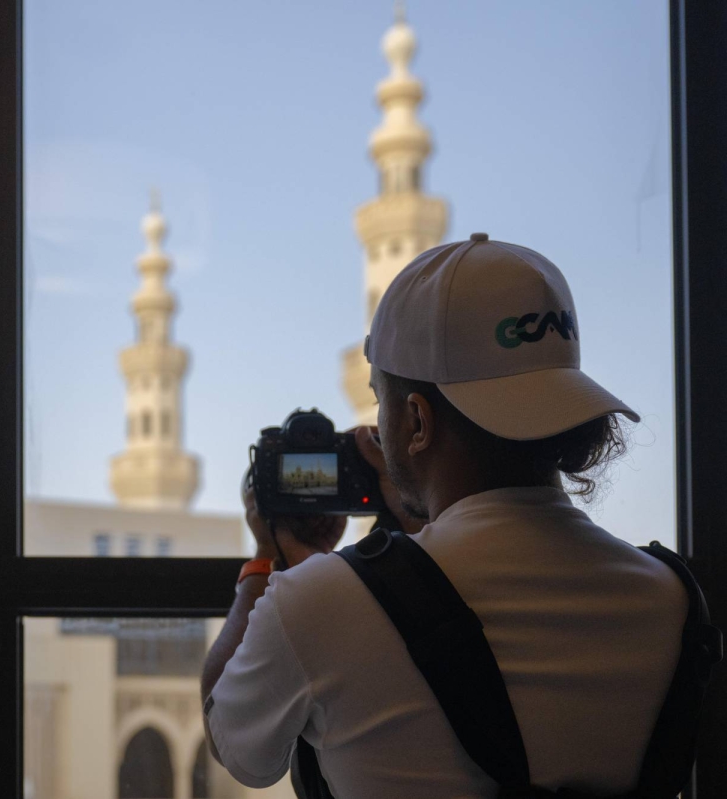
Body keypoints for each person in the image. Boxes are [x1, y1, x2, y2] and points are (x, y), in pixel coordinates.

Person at [201, 234, 692, 797]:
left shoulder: (318, 601)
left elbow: (235, 744)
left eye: (381, 401)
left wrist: (264, 564)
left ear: (417, 421)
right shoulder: (671, 598)